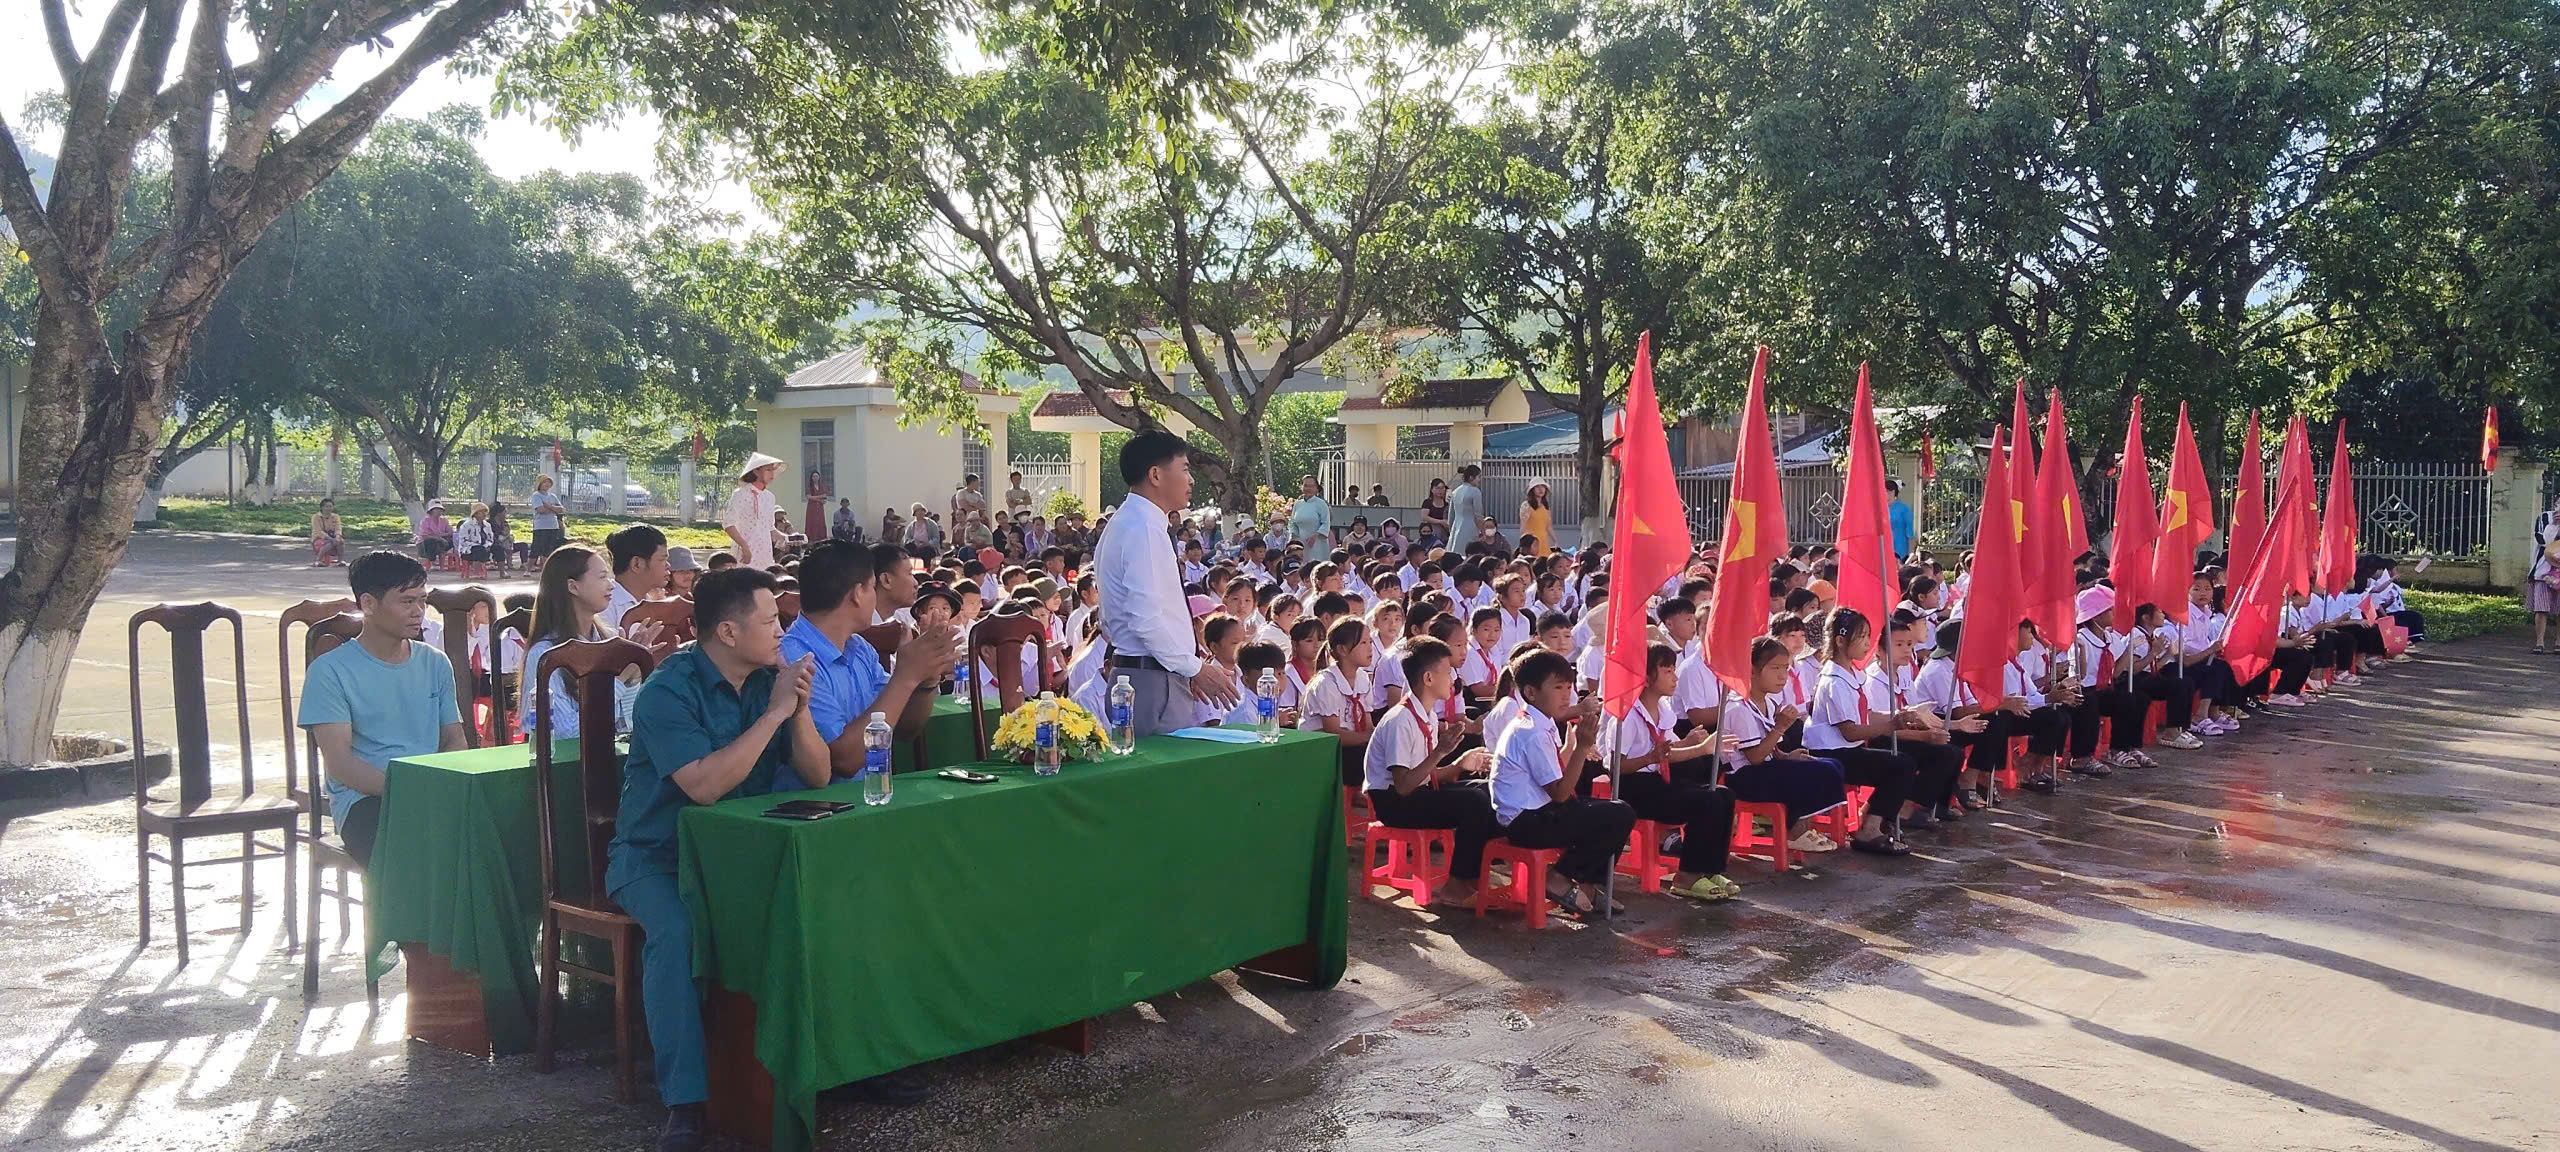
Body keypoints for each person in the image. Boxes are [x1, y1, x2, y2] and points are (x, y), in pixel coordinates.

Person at [607, 568, 834, 1150]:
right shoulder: (668, 690)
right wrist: (773, 715)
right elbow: (704, 787)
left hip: (742, 853)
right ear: (728, 632)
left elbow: (819, 774)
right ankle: (685, 1101)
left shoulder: (768, 680)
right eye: (771, 621)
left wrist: (798, 709)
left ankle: (836, 1066)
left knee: (826, 904)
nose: (782, 631)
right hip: (657, 855)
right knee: (676, 933)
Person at [298, 551, 469, 866]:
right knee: (417, 853)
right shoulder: (330, 671)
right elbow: (340, 764)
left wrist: (438, 786)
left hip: (431, 792)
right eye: (406, 601)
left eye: (422, 601)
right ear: (368, 604)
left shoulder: (435, 663)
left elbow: (455, 739)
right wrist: (408, 790)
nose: (418, 611)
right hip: (366, 801)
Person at [781, 541, 959, 782]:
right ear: (857, 594)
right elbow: (844, 761)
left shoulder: (859, 647)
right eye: (873, 587)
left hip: (870, 794)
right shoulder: (794, 658)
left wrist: (926, 679)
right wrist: (906, 676)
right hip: (816, 803)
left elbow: (904, 728)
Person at [1099, 430, 1240, 735]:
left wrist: (1181, 668)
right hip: (1151, 682)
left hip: (1146, 675)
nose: (1191, 480)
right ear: (1155, 475)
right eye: (1185, 469)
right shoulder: (1143, 529)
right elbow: (1146, 620)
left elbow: (1109, 621)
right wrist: (1194, 668)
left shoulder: (1126, 523)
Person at [1487, 649, 1637, 917]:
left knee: (1617, 810)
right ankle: (1559, 876)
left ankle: (1588, 884)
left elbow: (1557, 775)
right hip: (1526, 821)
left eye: (1569, 687)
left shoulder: (1540, 722)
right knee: (1617, 815)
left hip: (1540, 811)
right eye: (1558, 688)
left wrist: (1575, 747)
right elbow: (1559, 793)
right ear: (1531, 692)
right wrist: (1582, 747)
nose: (1567, 695)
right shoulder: (1530, 731)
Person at [1362, 638, 1497, 903]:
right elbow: (1403, 785)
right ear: (1428, 678)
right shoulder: (1400, 719)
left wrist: (1459, 765)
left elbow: (1426, 775)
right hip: (1393, 803)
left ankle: (1470, 877)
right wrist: (1440, 752)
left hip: (1416, 793)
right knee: (1473, 802)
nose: (1453, 679)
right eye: (1447, 671)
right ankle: (1456, 886)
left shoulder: (1428, 715)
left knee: (1486, 790)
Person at [1617, 643, 1741, 901]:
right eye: (1667, 671)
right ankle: (1687, 875)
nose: (1675, 677)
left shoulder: (1663, 709)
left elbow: (1670, 750)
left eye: (1674, 670)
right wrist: (1655, 757)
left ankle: (1711, 869)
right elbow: (1616, 765)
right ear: (1646, 678)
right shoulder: (1627, 714)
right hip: (1634, 786)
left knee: (1723, 795)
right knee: (1705, 801)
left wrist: (1691, 743)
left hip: (1658, 779)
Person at [1798, 608, 1919, 855]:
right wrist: (1891, 725)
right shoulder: (1834, 680)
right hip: (1831, 753)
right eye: (1861, 637)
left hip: (1847, 749)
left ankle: (1873, 818)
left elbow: (1866, 715)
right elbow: (1850, 731)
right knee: (1900, 765)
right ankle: (1869, 829)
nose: (1867, 643)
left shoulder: (1852, 673)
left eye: (1868, 636)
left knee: (1903, 762)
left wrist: (1900, 717)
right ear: (1841, 641)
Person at [521, 546, 654, 737]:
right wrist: (620, 679)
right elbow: (564, 733)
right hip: (565, 755)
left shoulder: (608, 638)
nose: (611, 585)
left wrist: (633, 675)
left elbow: (626, 725)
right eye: (602, 577)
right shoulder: (545, 653)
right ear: (573, 586)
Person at [603, 523, 672, 632]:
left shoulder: (651, 601)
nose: (668, 565)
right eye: (662, 560)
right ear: (637, 564)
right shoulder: (605, 606)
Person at [720, 453, 784, 570]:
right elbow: (728, 524)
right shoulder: (741, 494)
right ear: (756, 471)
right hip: (745, 554)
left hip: (764, 554)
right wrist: (744, 546)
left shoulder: (769, 497)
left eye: (773, 470)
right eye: (768, 470)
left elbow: (770, 528)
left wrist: (786, 538)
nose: (772, 474)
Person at [2532, 493, 2560, 653]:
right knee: (2541, 608)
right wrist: (2555, 525)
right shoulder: (2545, 518)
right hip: (2543, 571)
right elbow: (2542, 540)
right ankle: (2539, 643)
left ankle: (2558, 642)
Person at [1288, 475, 1331, 551]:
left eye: (1311, 486)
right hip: (1300, 544)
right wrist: (1293, 537)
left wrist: (1315, 535)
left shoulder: (1321, 504)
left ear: (1316, 488)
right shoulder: (1298, 504)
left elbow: (1326, 523)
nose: (1308, 489)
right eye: (1306, 486)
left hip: (1317, 543)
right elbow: (1293, 523)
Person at [530, 474, 567, 560]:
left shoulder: (553, 496)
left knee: (548, 550)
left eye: (548, 482)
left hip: (553, 526)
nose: (547, 484)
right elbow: (541, 510)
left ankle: (545, 565)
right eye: (544, 482)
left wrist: (549, 506)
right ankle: (529, 566)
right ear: (540, 483)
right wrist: (554, 509)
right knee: (536, 549)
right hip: (541, 526)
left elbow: (561, 509)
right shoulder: (536, 495)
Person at [1448, 465, 1485, 549]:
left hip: (1456, 527)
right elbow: (1478, 516)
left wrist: (1451, 531)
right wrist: (1483, 532)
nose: (1479, 480)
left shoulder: (1455, 492)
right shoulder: (1475, 491)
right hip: (1470, 528)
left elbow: (1451, 516)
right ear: (1471, 477)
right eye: (1478, 477)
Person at [454, 502, 494, 579]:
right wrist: (477, 545)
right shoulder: (466, 525)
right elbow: (464, 541)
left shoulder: (487, 525)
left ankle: (502, 572)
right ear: (475, 514)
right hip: (468, 550)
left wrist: (487, 545)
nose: (484, 514)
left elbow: (490, 538)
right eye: (482, 512)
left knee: (498, 548)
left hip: (484, 547)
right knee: (479, 549)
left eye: (485, 512)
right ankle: (476, 571)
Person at [1518, 482, 1554, 557]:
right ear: (1532, 490)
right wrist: (1524, 543)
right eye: (1537, 487)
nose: (1541, 489)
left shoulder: (1546, 507)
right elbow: (1523, 525)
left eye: (1543, 487)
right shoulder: (1526, 505)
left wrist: (1556, 541)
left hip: (1544, 542)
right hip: (1532, 543)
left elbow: (1548, 527)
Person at [414, 501, 454, 566]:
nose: (439, 511)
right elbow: (425, 536)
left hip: (441, 542)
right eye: (436, 509)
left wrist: (440, 536)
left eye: (440, 509)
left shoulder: (444, 520)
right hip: (424, 545)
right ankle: (432, 562)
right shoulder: (425, 521)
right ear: (431, 511)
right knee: (431, 541)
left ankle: (444, 558)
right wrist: (438, 538)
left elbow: (450, 532)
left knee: (452, 539)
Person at [309, 499, 344, 566]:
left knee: (340, 541)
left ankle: (340, 561)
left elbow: (338, 528)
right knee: (329, 543)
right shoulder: (316, 517)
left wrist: (337, 537)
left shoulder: (336, 516)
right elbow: (318, 531)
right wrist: (330, 538)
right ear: (322, 507)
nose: (329, 508)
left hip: (333, 537)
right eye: (326, 506)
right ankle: (318, 560)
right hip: (319, 538)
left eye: (330, 506)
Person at [1419, 477, 1453, 547]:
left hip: (1445, 532)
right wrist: (1440, 522)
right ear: (1432, 490)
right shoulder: (1427, 502)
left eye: (1442, 488)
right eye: (1438, 488)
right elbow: (1424, 517)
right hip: (1432, 531)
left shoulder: (1447, 503)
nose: (1440, 491)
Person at [1887, 478, 1915, 559]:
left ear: (1892, 492)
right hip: (1883, 549)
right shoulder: (1879, 509)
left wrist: (1910, 554)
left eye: (1886, 491)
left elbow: (1910, 533)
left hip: (1900, 550)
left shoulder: (1904, 509)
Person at [803, 470, 828, 540]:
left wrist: (816, 498)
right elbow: (808, 497)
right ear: (811, 478)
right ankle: (811, 538)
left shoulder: (821, 486)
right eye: (813, 476)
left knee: (820, 521)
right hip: (812, 507)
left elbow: (825, 497)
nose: (815, 478)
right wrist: (819, 498)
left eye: (816, 476)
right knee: (812, 521)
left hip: (820, 507)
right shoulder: (809, 486)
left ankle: (820, 538)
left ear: (819, 477)